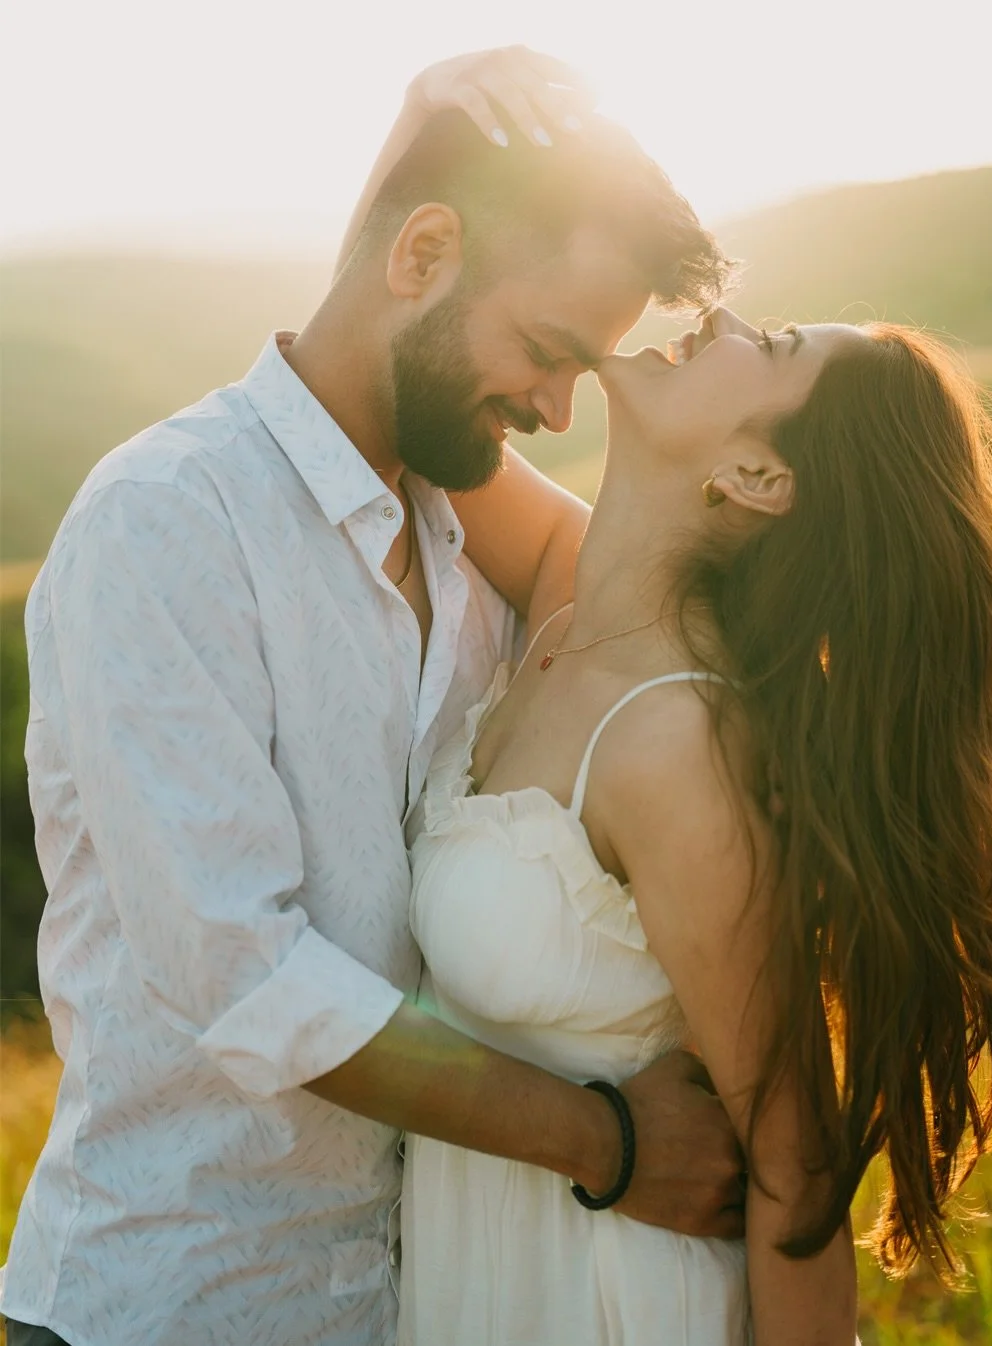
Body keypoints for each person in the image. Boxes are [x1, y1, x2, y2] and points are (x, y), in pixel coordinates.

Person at [1, 51, 747, 1346]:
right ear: (424, 254)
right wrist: (612, 1140)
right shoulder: (168, 520)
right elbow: (247, 976)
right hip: (170, 1300)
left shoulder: (460, 529)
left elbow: (634, 594)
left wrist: (420, 134)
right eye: (547, 349)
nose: (559, 405)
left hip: (400, 1303)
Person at [396, 305, 992, 1344]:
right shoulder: (567, 605)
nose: (722, 314)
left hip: (613, 1304)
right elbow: (402, 401)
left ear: (759, 478)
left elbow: (794, 1175)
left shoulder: (680, 745)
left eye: (776, 344)